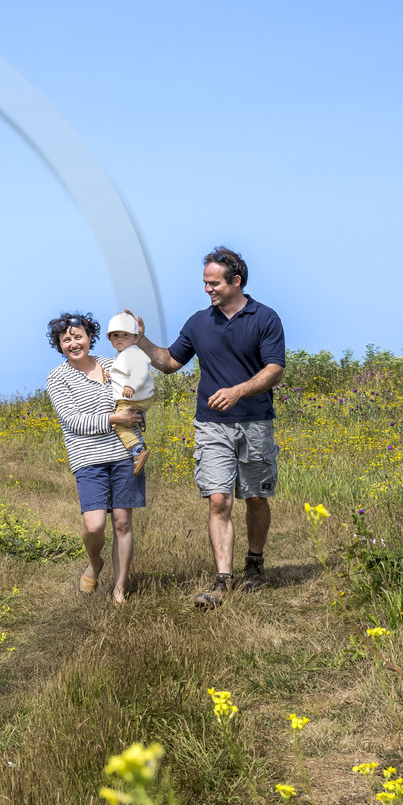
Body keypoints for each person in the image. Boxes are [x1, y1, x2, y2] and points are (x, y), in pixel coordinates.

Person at [126, 246, 285, 609]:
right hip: (212, 425)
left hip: (255, 422)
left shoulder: (266, 318)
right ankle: (223, 581)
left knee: (256, 497)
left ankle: (255, 564)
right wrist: (141, 341)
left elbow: (275, 369)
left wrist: (238, 391)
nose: (207, 289)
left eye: (213, 283)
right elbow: (169, 363)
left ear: (236, 281)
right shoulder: (199, 322)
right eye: (205, 283)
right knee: (219, 500)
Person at [44, 312, 145, 604]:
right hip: (87, 458)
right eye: (66, 340)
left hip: (125, 453)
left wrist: (136, 414)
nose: (74, 343)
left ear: (90, 338)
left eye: (78, 337)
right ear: (59, 345)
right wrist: (116, 417)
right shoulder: (57, 377)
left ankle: (119, 589)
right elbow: (74, 421)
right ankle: (95, 561)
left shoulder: (113, 364)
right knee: (94, 525)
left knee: (123, 523)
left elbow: (135, 395)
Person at [104, 312, 153, 475]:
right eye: (115, 335)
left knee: (119, 423)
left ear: (136, 338)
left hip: (134, 397)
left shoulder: (133, 353)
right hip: (137, 397)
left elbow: (140, 371)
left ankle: (137, 450)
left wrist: (131, 385)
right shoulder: (124, 353)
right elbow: (124, 370)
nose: (120, 338)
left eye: (125, 335)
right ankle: (139, 440)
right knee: (132, 423)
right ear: (109, 338)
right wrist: (113, 375)